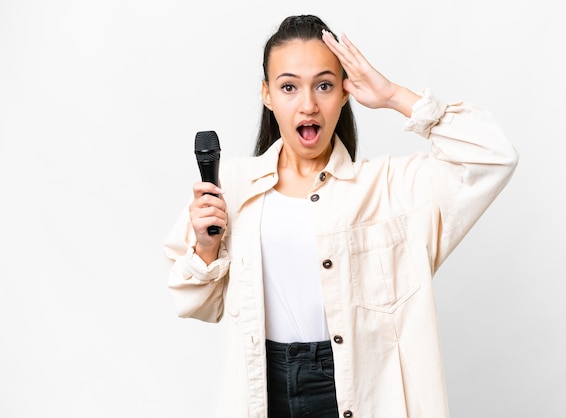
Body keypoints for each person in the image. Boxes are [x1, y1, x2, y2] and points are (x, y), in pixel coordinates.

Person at [164, 14, 518, 418]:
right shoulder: (231, 186)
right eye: (289, 87)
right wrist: (207, 247)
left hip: (358, 388)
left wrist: (394, 96)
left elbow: (493, 157)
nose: (308, 104)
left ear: (346, 92)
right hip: (262, 387)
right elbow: (196, 304)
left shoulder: (388, 188)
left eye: (324, 85)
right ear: (267, 94)